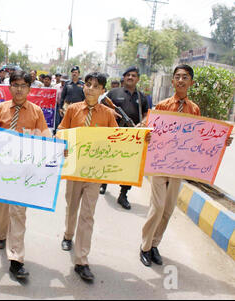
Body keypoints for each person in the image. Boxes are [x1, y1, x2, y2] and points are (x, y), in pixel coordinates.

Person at [139, 64, 232, 267]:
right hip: (160, 163)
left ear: (191, 82)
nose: (181, 80)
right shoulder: (162, 106)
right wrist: (148, 134)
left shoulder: (194, 109)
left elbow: (199, 138)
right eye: (178, 77)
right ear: (172, 81)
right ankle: (145, 247)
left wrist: (221, 140)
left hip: (180, 166)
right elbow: (148, 130)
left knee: (168, 209)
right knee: (157, 207)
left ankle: (155, 244)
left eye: (185, 77)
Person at [57, 72, 119, 282]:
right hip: (74, 168)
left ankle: (82, 260)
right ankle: (67, 235)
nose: (91, 89)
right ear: (84, 87)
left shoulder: (108, 114)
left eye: (96, 86)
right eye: (88, 85)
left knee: (88, 214)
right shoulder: (73, 110)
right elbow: (61, 130)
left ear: (103, 91)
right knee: (72, 206)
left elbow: (116, 139)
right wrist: (62, 142)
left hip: (94, 171)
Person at [0, 70, 50, 279]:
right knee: (3, 209)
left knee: (18, 213)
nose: (19, 89)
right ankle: (0, 234)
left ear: (29, 89)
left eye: (23, 85)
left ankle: (16, 258)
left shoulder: (36, 112)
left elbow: (45, 137)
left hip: (24, 171)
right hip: (3, 169)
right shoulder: (0, 109)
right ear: (9, 87)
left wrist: (54, 148)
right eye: (15, 84)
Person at [99, 66, 148, 210]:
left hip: (132, 135)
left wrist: (142, 123)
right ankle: (103, 183)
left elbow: (146, 113)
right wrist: (110, 113)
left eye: (133, 75)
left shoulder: (141, 97)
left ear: (137, 79)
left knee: (130, 166)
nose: (130, 77)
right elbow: (101, 106)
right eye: (128, 75)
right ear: (124, 77)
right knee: (108, 159)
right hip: (114, 132)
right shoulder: (114, 93)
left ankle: (123, 194)